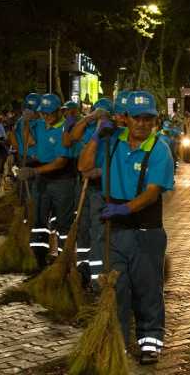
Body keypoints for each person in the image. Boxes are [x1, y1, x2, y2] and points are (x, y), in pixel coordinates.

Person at [78, 91, 174, 366]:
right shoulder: (111, 143)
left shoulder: (159, 149)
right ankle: (116, 342)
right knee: (116, 288)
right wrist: (96, 137)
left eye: (148, 119)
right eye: (137, 118)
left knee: (147, 290)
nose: (142, 124)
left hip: (146, 230)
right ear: (126, 119)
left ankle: (150, 343)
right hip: (116, 231)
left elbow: (152, 193)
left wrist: (125, 208)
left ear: (154, 121)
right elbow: (84, 167)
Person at [17, 93, 76, 271]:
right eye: (44, 113)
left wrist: (34, 171)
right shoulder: (39, 125)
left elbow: (60, 162)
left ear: (59, 111)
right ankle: (39, 260)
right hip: (42, 180)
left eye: (50, 113)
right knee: (38, 221)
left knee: (63, 223)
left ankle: (63, 262)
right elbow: (29, 142)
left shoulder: (66, 128)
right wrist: (25, 122)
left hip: (62, 180)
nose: (47, 117)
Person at [71, 98, 115, 289]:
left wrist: (100, 171)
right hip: (86, 186)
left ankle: (97, 280)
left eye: (103, 115)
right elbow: (73, 137)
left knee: (98, 233)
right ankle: (83, 269)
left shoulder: (115, 135)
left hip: (102, 189)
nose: (100, 119)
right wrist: (90, 120)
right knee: (83, 229)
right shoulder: (90, 131)